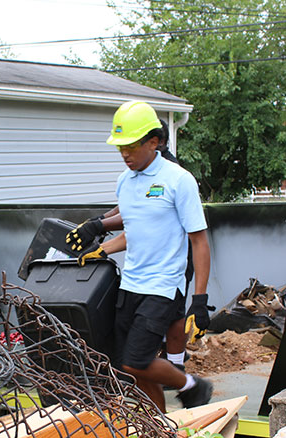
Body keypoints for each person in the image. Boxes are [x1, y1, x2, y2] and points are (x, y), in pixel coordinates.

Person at [67, 101, 213, 412]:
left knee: (137, 360)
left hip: (163, 285)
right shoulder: (125, 182)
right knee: (127, 369)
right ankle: (161, 428)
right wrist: (101, 247)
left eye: (131, 146)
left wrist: (199, 297)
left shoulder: (179, 180)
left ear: (154, 141)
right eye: (120, 146)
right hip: (131, 283)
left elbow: (199, 241)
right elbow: (134, 230)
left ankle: (192, 386)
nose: (125, 154)